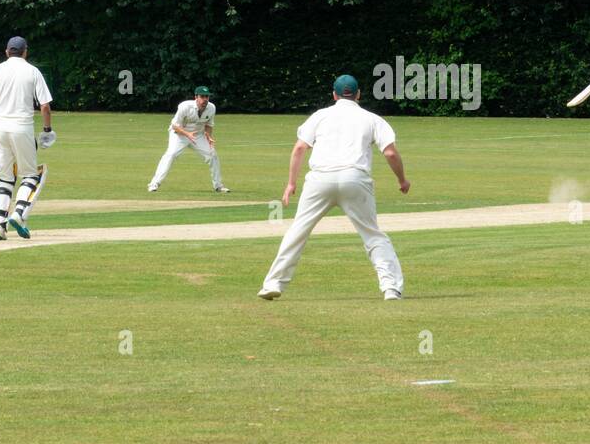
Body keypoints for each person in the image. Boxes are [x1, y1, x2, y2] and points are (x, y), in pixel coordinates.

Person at [259, 74, 409, 302]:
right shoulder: (371, 118)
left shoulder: (320, 116)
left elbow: (300, 148)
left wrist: (291, 183)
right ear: (358, 94)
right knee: (372, 235)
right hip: (355, 178)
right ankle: (390, 288)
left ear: (334, 94)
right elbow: (389, 152)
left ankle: (273, 283)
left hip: (320, 179)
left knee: (298, 231)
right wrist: (401, 180)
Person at [0, 36, 55, 240]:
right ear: (25, 51)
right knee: (31, 175)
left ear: (7, 52)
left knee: (3, 176)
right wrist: (47, 129)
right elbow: (44, 106)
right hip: (23, 128)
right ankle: (19, 213)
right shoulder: (32, 71)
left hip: (0, 128)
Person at [147, 86, 229, 193]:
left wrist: (209, 136)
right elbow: (175, 126)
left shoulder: (211, 107)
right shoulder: (184, 106)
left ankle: (218, 186)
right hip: (179, 134)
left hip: (198, 136)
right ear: (196, 97)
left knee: (212, 155)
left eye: (207, 97)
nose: (205, 99)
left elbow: (209, 124)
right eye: (202, 96)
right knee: (171, 154)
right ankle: (154, 184)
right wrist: (187, 134)